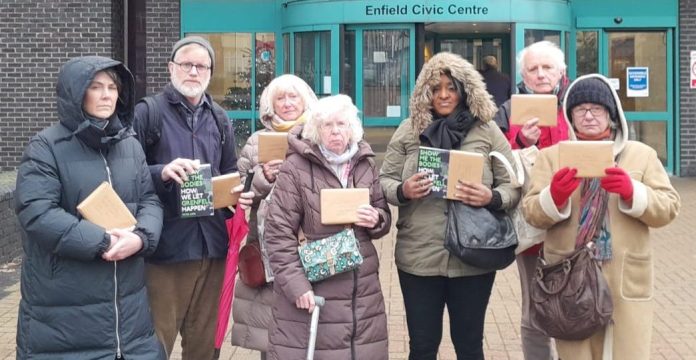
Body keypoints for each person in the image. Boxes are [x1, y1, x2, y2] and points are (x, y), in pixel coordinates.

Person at [14, 56, 165, 359]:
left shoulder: (130, 144)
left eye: (112, 86)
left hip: (131, 324)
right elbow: (38, 213)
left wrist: (141, 237)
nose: (107, 94)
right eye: (96, 87)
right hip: (64, 321)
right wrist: (104, 241)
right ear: (75, 92)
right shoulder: (46, 147)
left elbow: (149, 200)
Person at [522, 74, 680, 359]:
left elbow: (668, 208)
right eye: (580, 109)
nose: (589, 116)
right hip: (569, 279)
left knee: (626, 352)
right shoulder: (551, 157)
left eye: (597, 109)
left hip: (624, 277)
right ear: (570, 115)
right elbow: (531, 213)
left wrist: (634, 193)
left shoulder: (640, 156)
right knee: (577, 353)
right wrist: (553, 198)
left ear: (612, 114)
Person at [380, 51, 520, 359]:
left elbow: (514, 184)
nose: (443, 95)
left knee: (469, 346)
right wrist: (403, 190)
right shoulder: (408, 130)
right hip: (419, 256)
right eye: (435, 88)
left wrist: (492, 197)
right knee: (423, 346)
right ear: (424, 92)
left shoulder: (486, 130)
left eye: (451, 87)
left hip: (473, 255)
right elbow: (384, 180)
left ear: (465, 89)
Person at [132, 36, 254, 359]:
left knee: (204, 346)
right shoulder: (149, 112)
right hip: (167, 250)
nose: (193, 71)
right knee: (154, 344)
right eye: (186, 64)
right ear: (171, 67)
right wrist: (161, 171)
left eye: (201, 66)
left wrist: (236, 195)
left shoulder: (220, 118)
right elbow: (126, 170)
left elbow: (229, 170)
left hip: (211, 246)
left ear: (210, 73)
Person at [264, 94, 391, 360]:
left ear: (352, 129)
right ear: (316, 131)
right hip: (317, 290)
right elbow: (277, 234)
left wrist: (376, 219)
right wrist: (296, 286)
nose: (335, 131)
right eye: (327, 125)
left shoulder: (365, 163)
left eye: (342, 124)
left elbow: (383, 219)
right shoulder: (296, 167)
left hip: (362, 291)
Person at [231, 74, 318, 357]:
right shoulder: (257, 141)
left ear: (306, 99)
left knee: (310, 332)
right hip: (267, 249)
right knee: (270, 337)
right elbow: (240, 189)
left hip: (310, 245)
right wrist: (262, 177)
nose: (287, 103)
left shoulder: (319, 135)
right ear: (270, 105)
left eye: (293, 96)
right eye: (280, 98)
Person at [493, 40, 570, 360]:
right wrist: (522, 139)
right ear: (523, 75)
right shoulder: (510, 110)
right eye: (533, 69)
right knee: (535, 306)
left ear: (561, 72)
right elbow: (495, 163)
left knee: (579, 298)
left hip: (575, 223)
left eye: (547, 67)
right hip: (531, 225)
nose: (540, 74)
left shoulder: (578, 103)